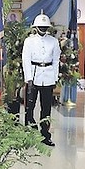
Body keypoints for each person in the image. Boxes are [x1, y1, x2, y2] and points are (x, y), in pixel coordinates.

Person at [22, 12, 60, 147]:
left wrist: (55, 78)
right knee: (30, 107)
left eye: (45, 27)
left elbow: (56, 60)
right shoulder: (29, 41)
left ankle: (45, 135)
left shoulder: (53, 41)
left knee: (46, 108)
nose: (43, 29)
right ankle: (30, 133)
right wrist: (28, 79)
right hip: (34, 75)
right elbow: (25, 60)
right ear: (35, 27)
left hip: (48, 76)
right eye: (40, 26)